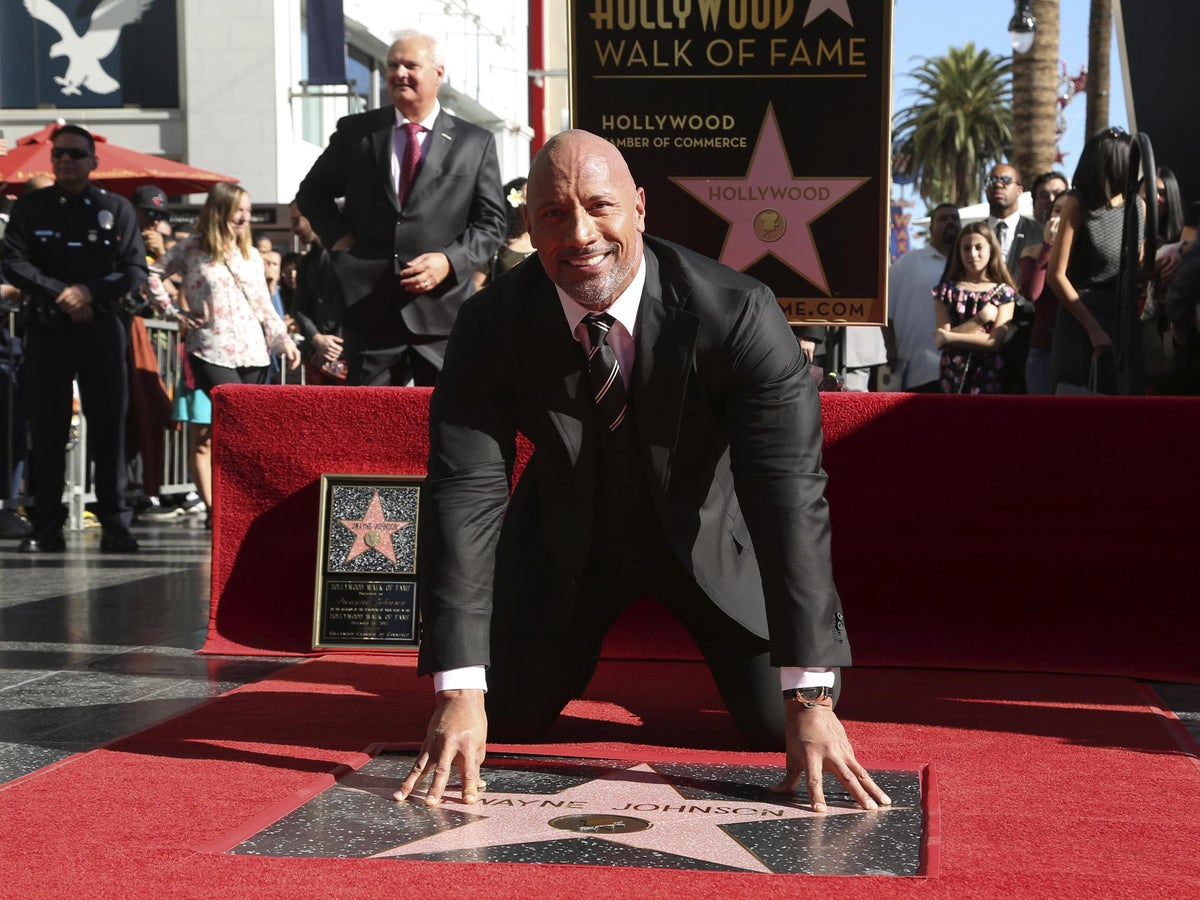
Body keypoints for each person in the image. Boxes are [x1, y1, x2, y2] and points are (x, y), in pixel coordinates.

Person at [393, 130, 891, 817]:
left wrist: (809, 693)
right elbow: (466, 491)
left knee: (775, 725)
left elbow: (787, 492)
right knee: (500, 717)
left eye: (600, 206)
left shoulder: (739, 311)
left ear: (640, 210)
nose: (580, 234)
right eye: (553, 215)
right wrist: (458, 688)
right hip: (565, 541)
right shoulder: (491, 325)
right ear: (529, 226)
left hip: (709, 538)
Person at [295, 29, 505, 386]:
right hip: (370, 311)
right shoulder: (356, 133)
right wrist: (342, 241)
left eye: (410, 65)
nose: (399, 74)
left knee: (447, 427)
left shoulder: (474, 141)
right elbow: (312, 192)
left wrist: (448, 261)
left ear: (438, 73)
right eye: (392, 65)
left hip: (443, 315)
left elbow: (491, 224)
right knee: (371, 432)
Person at [0, 124, 147, 553]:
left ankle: (116, 525)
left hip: (100, 328)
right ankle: (47, 525)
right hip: (48, 329)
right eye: (59, 154)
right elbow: (13, 262)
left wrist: (89, 293)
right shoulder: (31, 208)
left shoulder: (115, 209)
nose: (66, 160)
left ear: (93, 162)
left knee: (108, 428)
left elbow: (134, 269)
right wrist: (61, 293)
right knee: (47, 429)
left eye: (76, 154)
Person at [156, 182, 300, 522]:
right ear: (220, 210)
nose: (245, 217)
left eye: (248, 210)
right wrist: (172, 312)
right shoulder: (191, 249)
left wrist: (284, 342)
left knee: (249, 432)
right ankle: (223, 508)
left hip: (253, 351)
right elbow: (150, 273)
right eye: (239, 209)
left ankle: (246, 507)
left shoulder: (251, 256)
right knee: (231, 423)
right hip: (210, 348)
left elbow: (265, 307)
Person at [1047, 127, 1140, 395]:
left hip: (1124, 317)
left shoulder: (1137, 207)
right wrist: (1092, 328)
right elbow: (1056, 275)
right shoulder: (1078, 204)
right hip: (1081, 318)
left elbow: (1139, 268)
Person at [933, 222, 1019, 394]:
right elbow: (941, 339)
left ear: (991, 249)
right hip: (952, 377)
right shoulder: (945, 291)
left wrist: (951, 337)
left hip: (987, 376)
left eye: (979, 247)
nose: (973, 254)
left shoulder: (1004, 293)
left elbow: (993, 341)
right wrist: (980, 319)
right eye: (966, 248)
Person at [884, 201, 960, 392]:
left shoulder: (968, 265)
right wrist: (890, 348)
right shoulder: (909, 263)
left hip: (959, 370)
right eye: (943, 218)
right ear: (931, 227)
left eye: (954, 218)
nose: (950, 222)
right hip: (918, 371)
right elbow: (885, 312)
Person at [984, 164, 1043, 393]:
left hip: (1026, 343)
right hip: (980, 345)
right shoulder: (971, 236)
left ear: (1019, 189)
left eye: (1005, 180)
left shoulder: (1039, 232)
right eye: (991, 181)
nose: (998, 184)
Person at [287, 200, 346, 383]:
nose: (294, 228)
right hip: (316, 359)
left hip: (350, 357)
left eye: (297, 219)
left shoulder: (351, 255)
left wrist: (333, 344)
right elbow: (299, 308)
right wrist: (317, 339)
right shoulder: (307, 261)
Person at [1021, 193, 1068, 394]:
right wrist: (1048, 247)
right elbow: (1032, 292)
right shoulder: (1032, 251)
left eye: (1068, 210)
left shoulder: (1086, 252)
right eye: (1057, 210)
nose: (1062, 216)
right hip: (1043, 351)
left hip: (1074, 346)